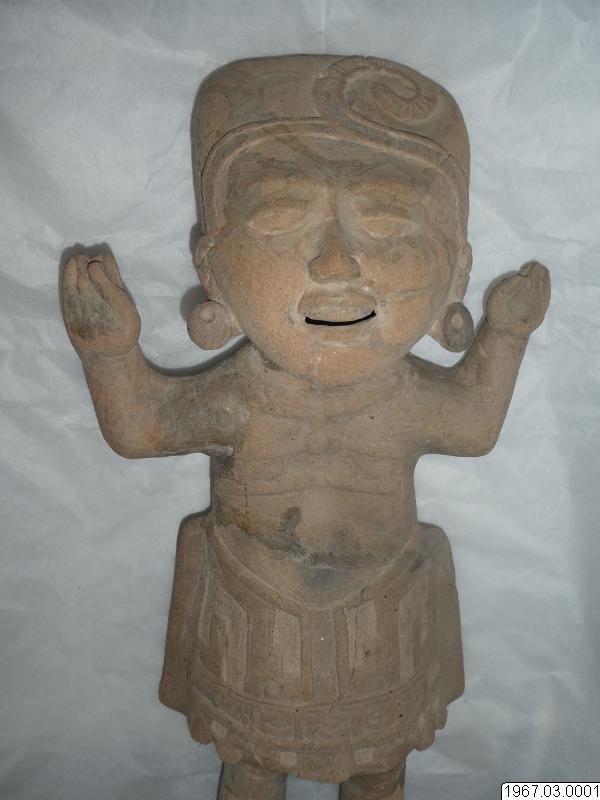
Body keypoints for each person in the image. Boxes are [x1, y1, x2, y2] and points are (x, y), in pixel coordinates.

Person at [61, 55, 550, 800]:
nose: (336, 262)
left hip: (381, 619)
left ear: (454, 272)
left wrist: (506, 338)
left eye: (386, 222)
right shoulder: (241, 395)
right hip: (257, 621)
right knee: (252, 767)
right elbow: (141, 428)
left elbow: (475, 427)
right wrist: (107, 351)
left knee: (378, 768)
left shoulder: (404, 396)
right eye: (281, 219)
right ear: (215, 270)